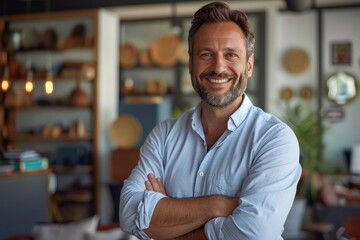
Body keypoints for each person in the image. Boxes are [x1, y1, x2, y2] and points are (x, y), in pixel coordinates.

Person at [119, 2, 301, 239]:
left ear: (249, 65)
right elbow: (128, 214)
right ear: (191, 63)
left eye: (231, 55)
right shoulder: (164, 135)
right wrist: (217, 205)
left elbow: (253, 235)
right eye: (206, 54)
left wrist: (166, 218)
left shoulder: (275, 139)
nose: (218, 67)